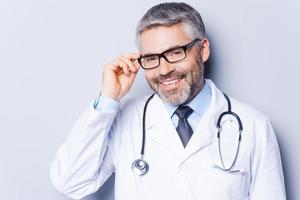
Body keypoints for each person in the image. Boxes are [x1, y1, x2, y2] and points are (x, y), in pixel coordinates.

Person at [50, 2, 286, 200]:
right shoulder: (125, 120)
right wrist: (108, 100)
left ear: (203, 50)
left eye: (175, 53)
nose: (163, 70)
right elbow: (70, 182)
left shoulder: (254, 126)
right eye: (152, 58)